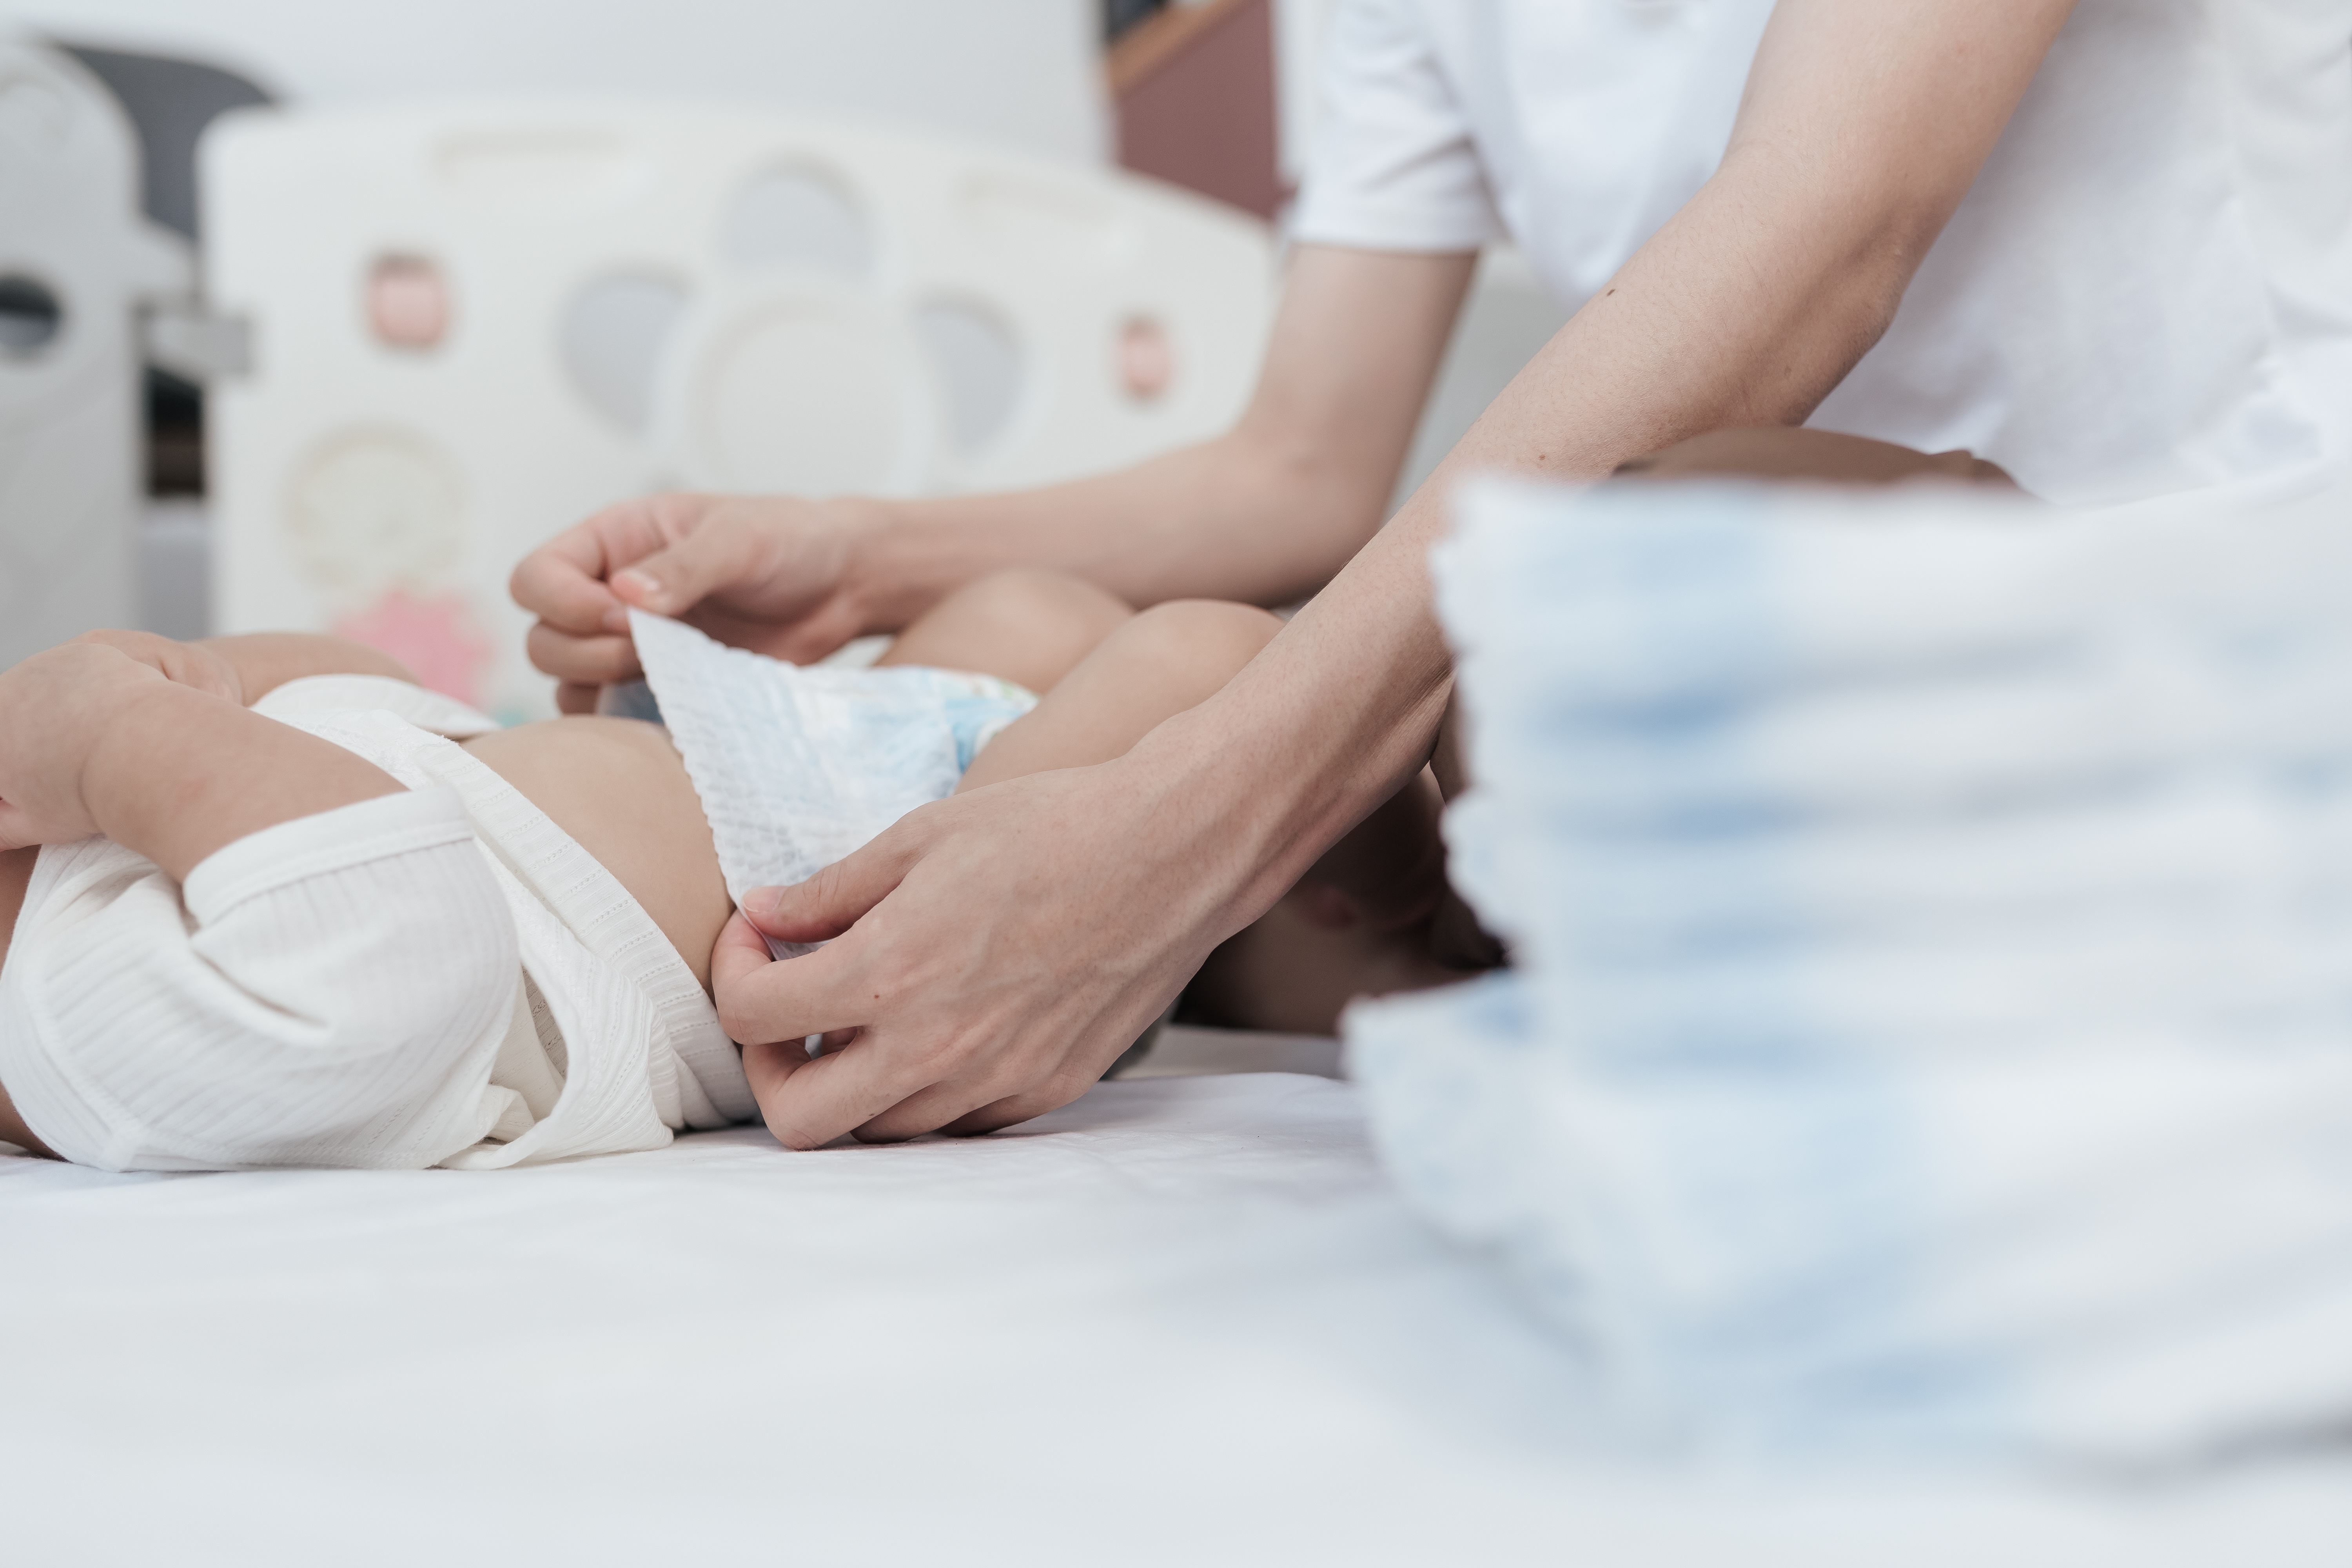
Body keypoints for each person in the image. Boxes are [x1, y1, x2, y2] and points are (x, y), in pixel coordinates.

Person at [509, 0, 2352, 1148]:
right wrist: (858, 556)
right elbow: (1298, 468)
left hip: (2211, 605)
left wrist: (1182, 828)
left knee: (1559, 625)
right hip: (1745, 666)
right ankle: (1450, 944)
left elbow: (1831, 230)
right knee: (1197, 662)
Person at [0, 575, 1468, 1169]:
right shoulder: (81, 1039)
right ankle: (1418, 952)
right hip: (881, 934)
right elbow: (393, 930)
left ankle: (1329, 929)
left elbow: (341, 704)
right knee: (1210, 659)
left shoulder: (88, 869)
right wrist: (119, 737)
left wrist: (194, 673)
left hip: (791, 767)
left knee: (1028, 616)